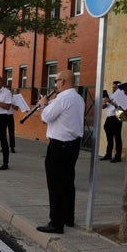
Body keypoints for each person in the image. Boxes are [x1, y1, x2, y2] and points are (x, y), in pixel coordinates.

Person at [36, 70, 85, 234]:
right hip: (73, 145)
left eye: (56, 81)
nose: (55, 84)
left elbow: (46, 117)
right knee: (68, 182)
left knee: (55, 184)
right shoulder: (78, 98)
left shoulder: (62, 98)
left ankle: (56, 223)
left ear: (63, 81)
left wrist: (43, 104)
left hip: (59, 146)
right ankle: (68, 217)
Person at [100, 80, 127, 162]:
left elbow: (122, 109)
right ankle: (108, 154)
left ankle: (118, 156)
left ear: (119, 88)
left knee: (117, 137)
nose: (113, 89)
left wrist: (111, 102)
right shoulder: (110, 95)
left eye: (115, 87)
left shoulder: (123, 97)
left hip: (117, 116)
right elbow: (103, 107)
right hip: (109, 118)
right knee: (109, 137)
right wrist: (105, 102)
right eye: (112, 87)